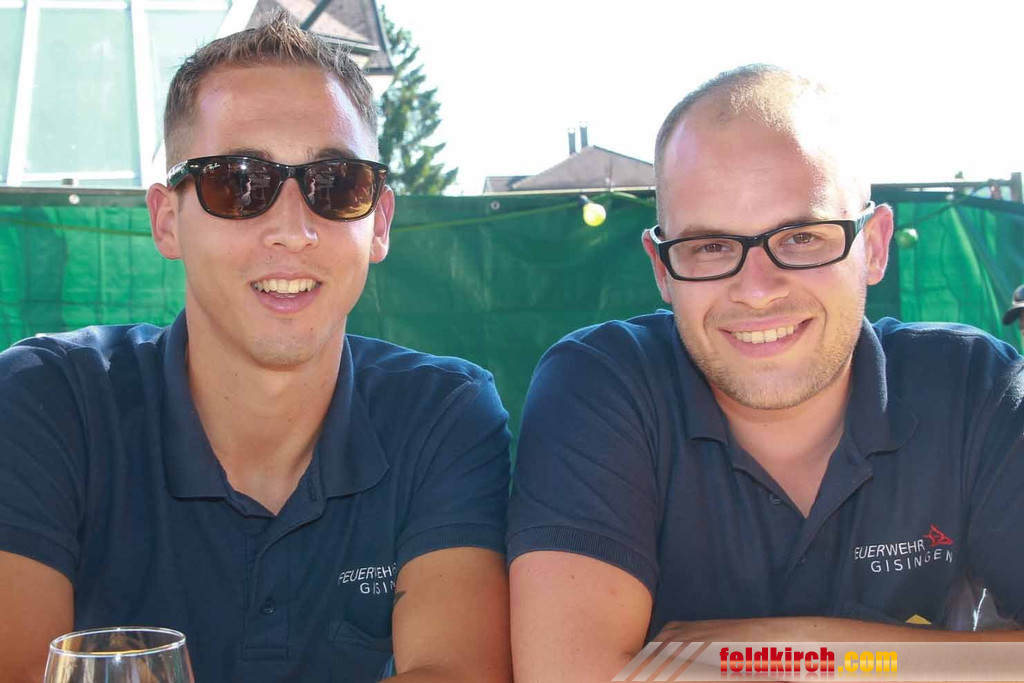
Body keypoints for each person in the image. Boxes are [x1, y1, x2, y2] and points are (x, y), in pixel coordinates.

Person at [0, 15, 512, 683]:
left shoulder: (442, 415)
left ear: (380, 221)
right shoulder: (47, 403)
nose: (293, 230)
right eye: (237, 183)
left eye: (337, 183)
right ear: (166, 220)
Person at [507, 64, 1024, 682]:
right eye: (710, 246)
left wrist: (758, 647)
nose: (756, 290)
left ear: (875, 245)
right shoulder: (602, 387)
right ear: (662, 269)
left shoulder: (973, 387)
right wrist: (924, 660)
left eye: (802, 237)